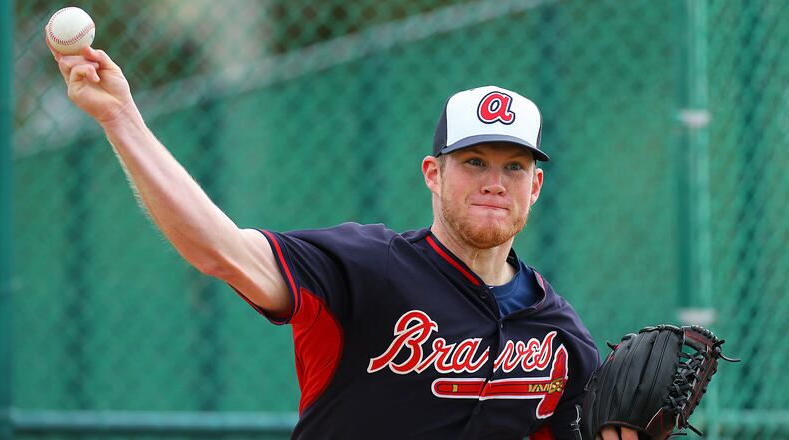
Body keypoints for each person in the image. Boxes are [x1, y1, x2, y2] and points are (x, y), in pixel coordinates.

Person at [47, 39, 641, 440]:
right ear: (433, 174)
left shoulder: (560, 336)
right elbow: (218, 249)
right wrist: (120, 118)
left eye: (513, 167)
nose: (494, 182)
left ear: (535, 185)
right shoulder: (366, 268)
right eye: (474, 161)